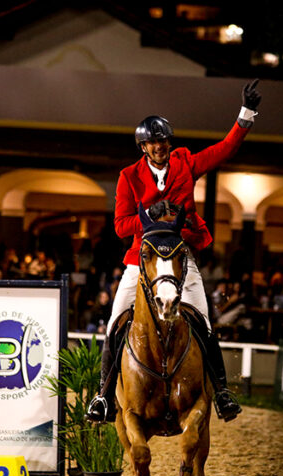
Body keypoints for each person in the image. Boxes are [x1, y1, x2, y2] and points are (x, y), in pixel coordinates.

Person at [86, 79, 262, 424]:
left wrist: (247, 113)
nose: (160, 147)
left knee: (205, 322)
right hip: (143, 259)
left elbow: (225, 149)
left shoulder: (185, 163)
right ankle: (103, 396)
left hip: (181, 256)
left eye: (164, 141)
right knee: (115, 321)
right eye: (153, 143)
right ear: (143, 148)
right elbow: (121, 226)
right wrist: (149, 215)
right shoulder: (129, 177)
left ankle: (222, 392)